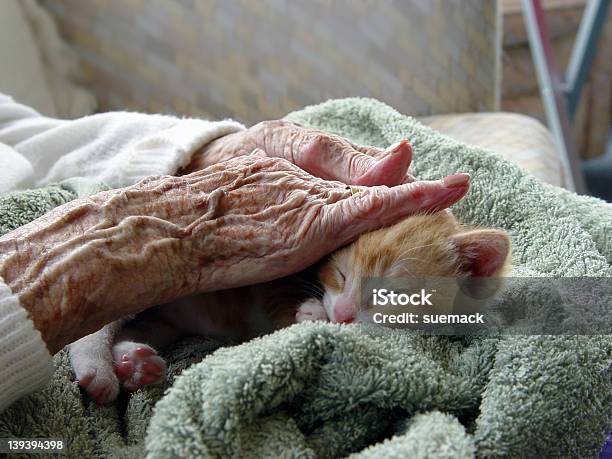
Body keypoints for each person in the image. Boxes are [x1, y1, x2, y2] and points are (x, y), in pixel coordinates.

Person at [0, 93, 469, 411]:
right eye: (345, 283)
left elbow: (26, 131)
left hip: (165, 308)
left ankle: (135, 341)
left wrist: (198, 150)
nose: (345, 309)